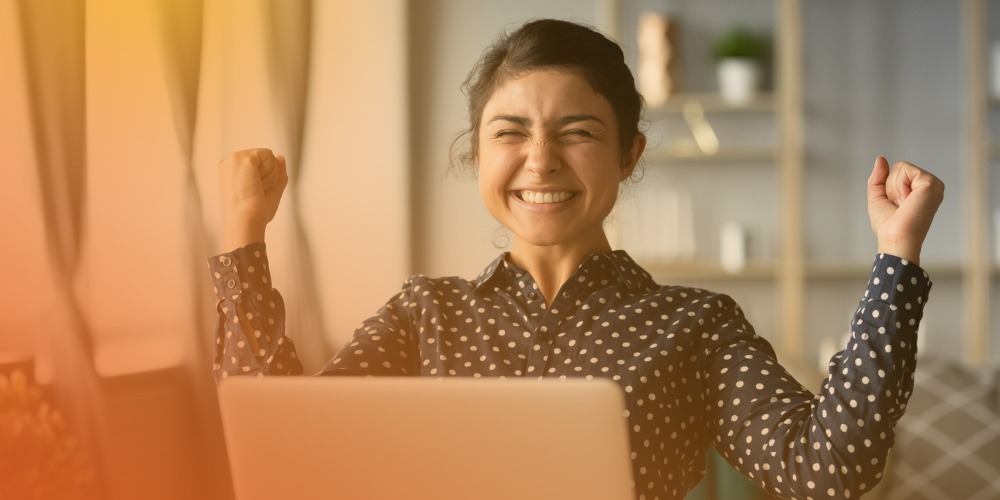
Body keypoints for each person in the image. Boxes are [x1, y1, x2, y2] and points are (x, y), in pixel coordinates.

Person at [208, 19, 944, 500]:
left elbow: (829, 471)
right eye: (510, 132)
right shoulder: (423, 314)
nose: (540, 161)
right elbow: (288, 460)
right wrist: (243, 239)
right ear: (477, 155)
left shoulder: (694, 325)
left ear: (629, 154)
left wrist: (896, 256)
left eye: (577, 131)